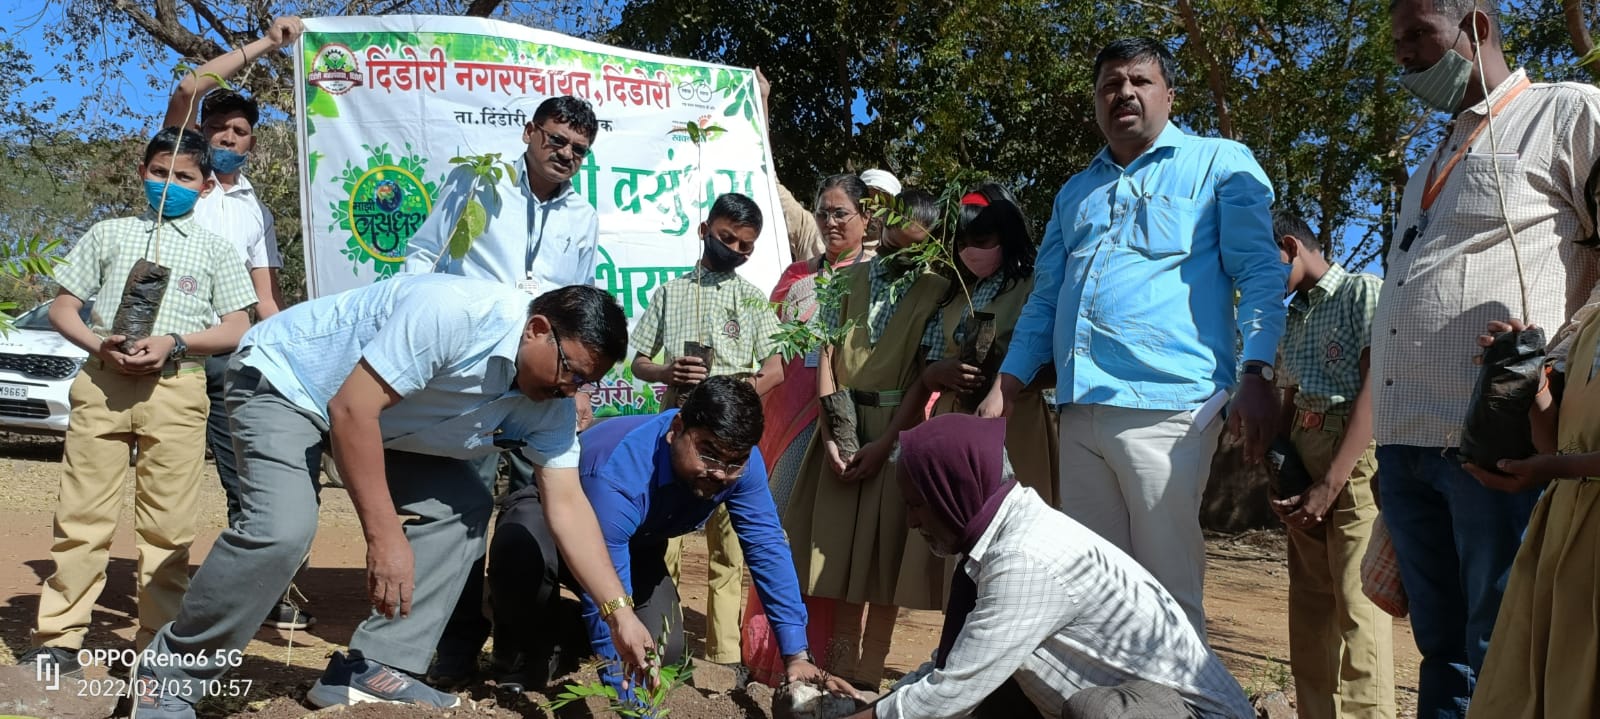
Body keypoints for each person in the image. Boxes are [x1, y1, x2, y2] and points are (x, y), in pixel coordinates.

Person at [129, 277, 657, 718]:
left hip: (384, 424)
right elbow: (351, 409)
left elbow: (566, 507)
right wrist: (384, 538)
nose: (573, 393)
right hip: (287, 382)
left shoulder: (552, 404)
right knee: (282, 528)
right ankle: (166, 676)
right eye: (572, 374)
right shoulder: (454, 314)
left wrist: (619, 614)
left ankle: (372, 669)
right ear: (538, 329)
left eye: (586, 384)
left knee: (464, 509)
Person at [976, 36, 1286, 636]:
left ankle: (1184, 702)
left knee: (1167, 587)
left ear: (1170, 93)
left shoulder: (1220, 163)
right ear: (1096, 103)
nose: (1124, 93)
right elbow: (1046, 298)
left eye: (1139, 81)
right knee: (1096, 586)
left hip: (1169, 407)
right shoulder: (1075, 192)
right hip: (1081, 410)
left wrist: (1258, 370)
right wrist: (1007, 384)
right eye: (1110, 85)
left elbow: (1259, 273)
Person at [1377, 1, 1600, 713]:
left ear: (1476, 26)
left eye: (1420, 35)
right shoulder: (1430, 160)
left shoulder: (1568, 110)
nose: (1406, 54)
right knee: (1441, 650)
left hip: (1499, 439)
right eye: (1399, 41)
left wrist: (1553, 363)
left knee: (1503, 644)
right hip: (1408, 440)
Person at [18, 127, 256, 676]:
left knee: (167, 528)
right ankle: (60, 637)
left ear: (204, 187)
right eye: (158, 172)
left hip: (177, 389)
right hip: (103, 384)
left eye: (184, 177)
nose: (168, 183)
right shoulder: (108, 234)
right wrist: (98, 343)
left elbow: (238, 325)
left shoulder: (216, 249)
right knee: (81, 516)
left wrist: (176, 342)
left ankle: (157, 646)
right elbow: (63, 309)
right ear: (141, 173)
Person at [844, 414, 1254, 719]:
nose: (913, 521)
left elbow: (951, 690)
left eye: (917, 504)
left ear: (953, 490)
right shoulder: (1006, 537)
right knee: (998, 684)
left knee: (1097, 711)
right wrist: (879, 703)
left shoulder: (1025, 558)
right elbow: (961, 663)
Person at [485, 376, 851, 702]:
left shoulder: (742, 466)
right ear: (677, 427)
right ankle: (516, 652)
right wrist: (627, 690)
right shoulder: (619, 474)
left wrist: (796, 655)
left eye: (733, 462)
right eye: (707, 453)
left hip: (635, 545)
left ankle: (559, 633)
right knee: (521, 550)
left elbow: (767, 547)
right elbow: (610, 594)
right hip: (553, 521)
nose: (719, 473)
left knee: (665, 649)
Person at [409, 94, 603, 683]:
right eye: (556, 140)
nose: (565, 153)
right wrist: (418, 332)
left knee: (533, 512)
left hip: (542, 383)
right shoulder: (476, 184)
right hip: (471, 371)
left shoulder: (584, 217)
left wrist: (577, 387)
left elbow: (581, 301)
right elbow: (423, 255)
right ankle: (455, 645)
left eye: (579, 149)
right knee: (458, 509)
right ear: (529, 133)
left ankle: (519, 648)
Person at [163, 14, 306, 631]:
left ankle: (261, 591)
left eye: (239, 131)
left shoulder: (256, 210)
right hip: (165, 352)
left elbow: (264, 298)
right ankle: (162, 598)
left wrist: (287, 358)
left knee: (246, 482)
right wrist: (269, 46)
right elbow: (187, 88)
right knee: (162, 489)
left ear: (253, 142)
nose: (227, 137)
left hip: (231, 356)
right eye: (217, 128)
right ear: (200, 134)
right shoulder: (177, 175)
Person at [783, 188, 951, 689]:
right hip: (839, 426)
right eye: (897, 240)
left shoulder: (936, 288)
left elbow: (923, 375)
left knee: (885, 557)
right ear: (880, 223)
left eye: (916, 247)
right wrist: (836, 433)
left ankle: (870, 676)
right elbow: (828, 357)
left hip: (898, 436)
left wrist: (886, 445)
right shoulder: (847, 280)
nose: (903, 255)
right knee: (837, 553)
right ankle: (836, 667)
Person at [628, 192, 784, 666]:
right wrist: (667, 373)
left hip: (731, 442)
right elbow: (637, 362)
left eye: (745, 246)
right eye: (726, 238)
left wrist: (731, 394)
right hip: (675, 437)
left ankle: (724, 660)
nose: (734, 249)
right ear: (704, 230)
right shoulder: (671, 293)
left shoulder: (752, 300)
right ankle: (656, 648)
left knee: (729, 552)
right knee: (660, 545)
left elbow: (775, 369)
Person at [1270, 211, 1394, 719]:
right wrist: (1280, 464)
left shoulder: (1361, 291)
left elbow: (1374, 388)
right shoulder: (1292, 313)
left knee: (1357, 604)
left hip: (1352, 457)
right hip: (1305, 451)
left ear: (1290, 244)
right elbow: (1291, 395)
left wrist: (1332, 480)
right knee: (1312, 606)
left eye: (1262, 262)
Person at [1464, 314, 1600, 718]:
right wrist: (1529, 376)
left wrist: (1556, 470)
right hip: (1562, 531)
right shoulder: (1591, 327)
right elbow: (1555, 442)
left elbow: (1559, 461)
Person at [914, 191, 1058, 507]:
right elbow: (929, 363)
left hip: (1014, 423)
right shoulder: (955, 293)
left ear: (1006, 234)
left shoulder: (1035, 287)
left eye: (981, 239)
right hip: (952, 420)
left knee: (1012, 514)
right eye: (963, 243)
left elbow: (1057, 365)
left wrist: (1003, 381)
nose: (970, 251)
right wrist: (940, 372)